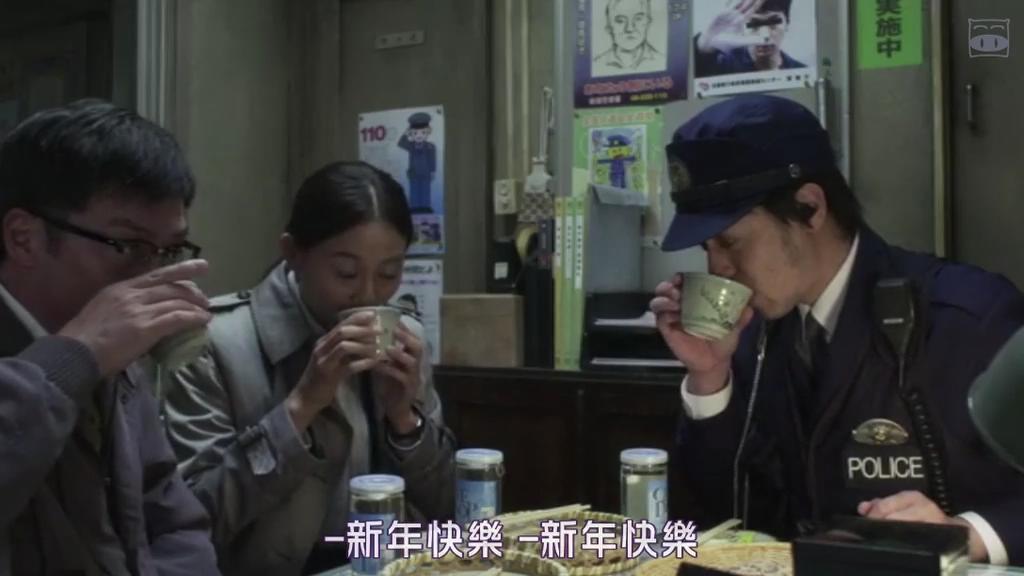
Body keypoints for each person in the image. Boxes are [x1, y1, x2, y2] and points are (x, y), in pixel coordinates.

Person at [650, 94, 1024, 565]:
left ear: (810, 207)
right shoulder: (753, 335)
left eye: (731, 242)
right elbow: (729, 519)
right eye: (707, 248)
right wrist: (709, 378)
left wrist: (967, 534)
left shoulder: (965, 317)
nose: (718, 269)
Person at [164, 161, 456, 575]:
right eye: (346, 273)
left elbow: (447, 506)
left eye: (389, 273)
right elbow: (193, 518)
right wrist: (300, 406)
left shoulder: (407, 339)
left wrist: (405, 421)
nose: (369, 294)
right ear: (293, 253)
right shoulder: (215, 345)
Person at [0, 100, 219, 574]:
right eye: (130, 246)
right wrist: (74, 358)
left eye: (169, 250)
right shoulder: (95, 344)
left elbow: (172, 517)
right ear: (23, 238)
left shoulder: (120, 354)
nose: (152, 274)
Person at [694, 0, 806, 77]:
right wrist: (702, 46)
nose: (764, 35)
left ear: (787, 24)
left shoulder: (801, 72)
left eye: (774, 22)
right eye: (754, 24)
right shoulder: (721, 66)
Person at [592, 0, 664, 76]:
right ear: (608, 27)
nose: (630, 29)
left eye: (638, 19)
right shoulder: (597, 64)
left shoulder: (661, 60)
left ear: (648, 23)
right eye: (620, 21)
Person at [397, 112, 436, 214]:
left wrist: (432, 171)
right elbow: (400, 143)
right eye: (415, 133)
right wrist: (406, 133)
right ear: (411, 133)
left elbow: (432, 159)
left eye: (423, 132)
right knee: (414, 191)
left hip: (426, 173)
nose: (419, 135)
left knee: (425, 191)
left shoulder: (430, 146)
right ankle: (414, 207)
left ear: (428, 133)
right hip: (414, 173)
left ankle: (425, 207)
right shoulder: (410, 145)